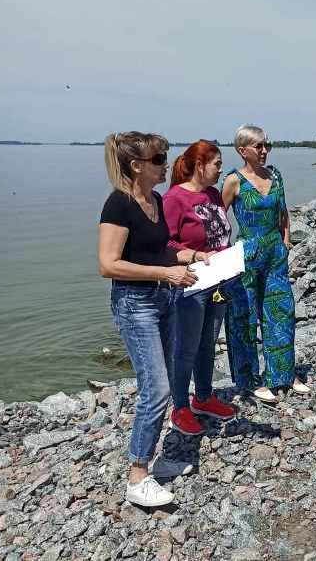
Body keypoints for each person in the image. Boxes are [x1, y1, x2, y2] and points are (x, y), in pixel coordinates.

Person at [98, 131, 200, 507]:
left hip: (165, 299)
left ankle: (158, 458)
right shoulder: (118, 205)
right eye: (159, 159)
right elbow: (108, 265)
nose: (165, 164)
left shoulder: (155, 199)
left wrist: (187, 256)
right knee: (155, 389)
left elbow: (158, 250)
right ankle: (137, 475)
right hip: (135, 303)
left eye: (165, 156)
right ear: (136, 165)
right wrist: (164, 274)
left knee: (169, 383)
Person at [221, 124, 310, 403]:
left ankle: (283, 374)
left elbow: (283, 212)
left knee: (281, 312)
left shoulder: (276, 176)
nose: (264, 151)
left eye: (266, 145)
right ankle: (250, 380)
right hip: (247, 254)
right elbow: (218, 219)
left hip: (274, 254)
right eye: (258, 146)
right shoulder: (233, 181)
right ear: (242, 150)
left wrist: (286, 242)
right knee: (245, 318)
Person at [163, 140, 237, 436]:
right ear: (200, 165)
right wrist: (193, 256)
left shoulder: (213, 195)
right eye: (217, 164)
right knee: (186, 347)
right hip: (191, 284)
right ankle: (180, 406)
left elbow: (220, 234)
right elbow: (165, 244)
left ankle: (203, 398)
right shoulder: (173, 198)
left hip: (219, 280)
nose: (221, 169)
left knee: (207, 343)